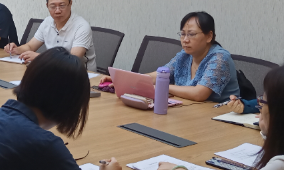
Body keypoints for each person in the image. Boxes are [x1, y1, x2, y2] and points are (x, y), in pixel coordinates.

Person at [100, 11, 240, 102]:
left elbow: (199, 94)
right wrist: (126, 79)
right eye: (183, 34)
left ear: (209, 36)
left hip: (218, 117)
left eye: (191, 34)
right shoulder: (184, 55)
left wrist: (162, 86)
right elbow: (159, 75)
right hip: (189, 111)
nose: (185, 40)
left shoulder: (220, 58)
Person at [3, 0, 97, 71]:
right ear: (47, 5)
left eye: (62, 5)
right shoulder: (47, 22)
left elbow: (72, 59)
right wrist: (17, 49)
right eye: (53, 6)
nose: (57, 11)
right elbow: (30, 46)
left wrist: (40, 57)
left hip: (80, 75)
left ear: (70, 3)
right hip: (54, 70)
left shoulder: (82, 26)